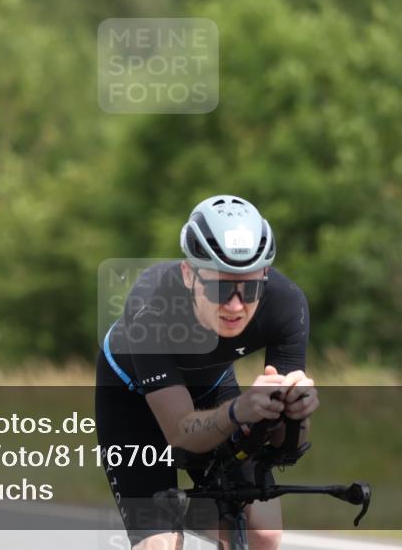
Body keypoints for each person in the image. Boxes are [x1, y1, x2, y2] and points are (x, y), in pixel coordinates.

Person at [95, 195, 319, 550]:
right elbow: (180, 433)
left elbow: (283, 445)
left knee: (264, 533)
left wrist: (296, 414)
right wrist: (239, 411)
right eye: (220, 287)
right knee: (161, 544)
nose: (235, 305)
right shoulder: (151, 306)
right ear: (189, 274)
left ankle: (200, 513)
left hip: (210, 386)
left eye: (249, 288)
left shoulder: (286, 303)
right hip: (131, 399)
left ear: (265, 275)